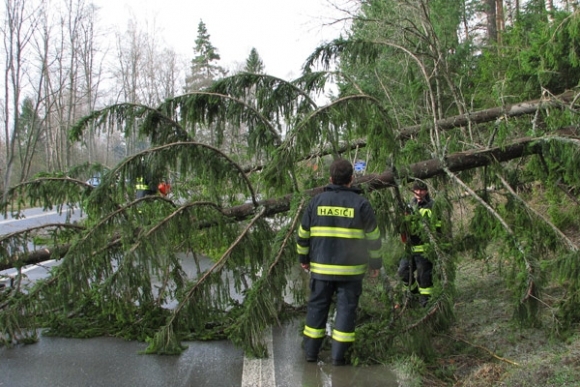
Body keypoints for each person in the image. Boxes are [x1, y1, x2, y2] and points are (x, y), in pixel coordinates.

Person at [296, 158, 382, 366]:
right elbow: (373, 238)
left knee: (317, 308)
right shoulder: (361, 204)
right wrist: (375, 265)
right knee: (345, 310)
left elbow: (302, 235)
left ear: (330, 178)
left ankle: (311, 353)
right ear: (351, 179)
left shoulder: (316, 202)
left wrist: (304, 259)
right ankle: (338, 357)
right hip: (351, 271)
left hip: (321, 269)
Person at [397, 181, 441, 307]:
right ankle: (414, 294)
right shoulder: (409, 206)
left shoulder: (432, 206)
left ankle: (426, 302)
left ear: (426, 191)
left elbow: (437, 227)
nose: (418, 193)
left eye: (421, 190)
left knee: (424, 277)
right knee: (403, 271)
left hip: (425, 249)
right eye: (416, 190)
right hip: (410, 249)